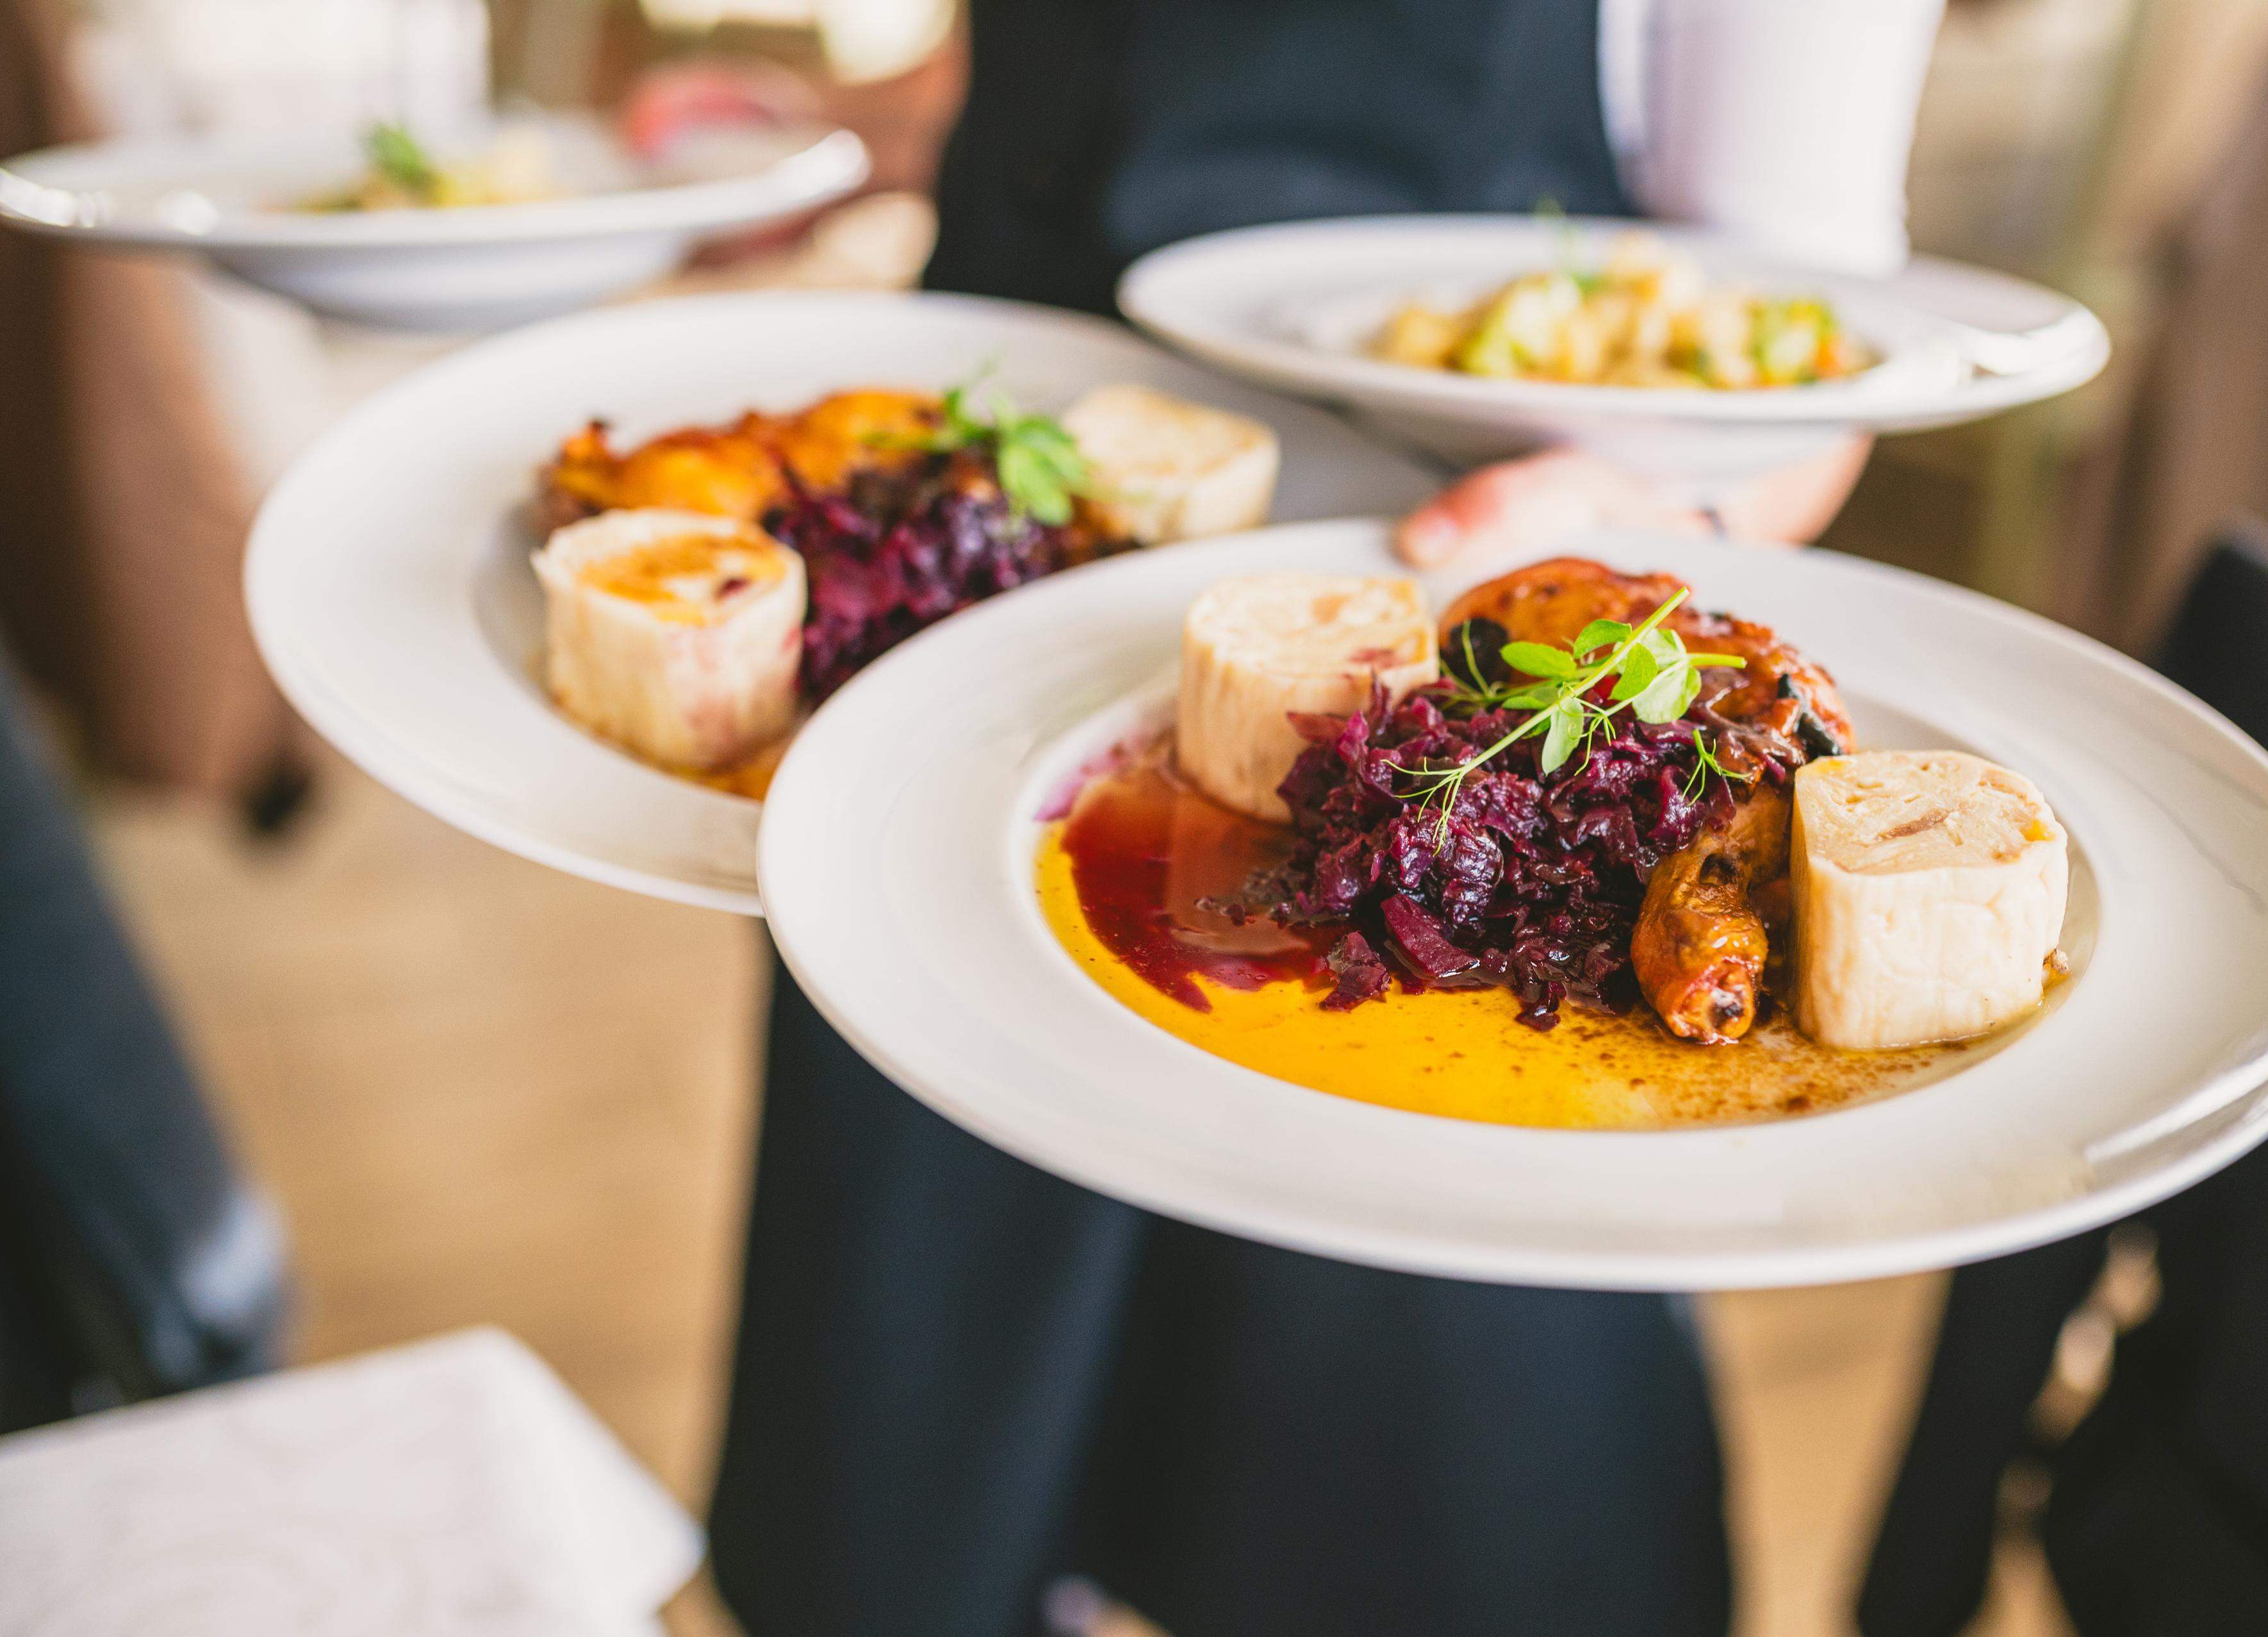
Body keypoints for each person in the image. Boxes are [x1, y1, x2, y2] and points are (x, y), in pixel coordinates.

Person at [709, 4, 1943, 1633]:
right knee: (913, 1483)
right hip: (980, 721)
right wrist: (854, 125)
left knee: (1413, 1525)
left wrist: (1669, 523)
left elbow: (1809, 339)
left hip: (1447, 803)